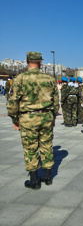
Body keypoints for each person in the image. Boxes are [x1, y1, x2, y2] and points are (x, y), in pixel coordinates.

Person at [6, 51, 59, 189]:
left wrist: (14, 119)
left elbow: (12, 102)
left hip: (28, 117)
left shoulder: (20, 78)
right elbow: (56, 101)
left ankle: (34, 180)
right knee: (47, 145)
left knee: (30, 148)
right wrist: (53, 116)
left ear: (26, 61)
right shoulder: (49, 79)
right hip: (46, 116)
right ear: (41, 62)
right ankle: (48, 177)